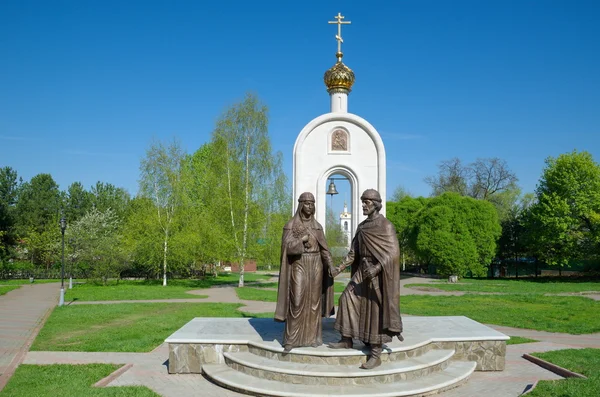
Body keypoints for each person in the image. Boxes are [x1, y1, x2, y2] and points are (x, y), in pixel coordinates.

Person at [329, 189, 403, 369]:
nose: (363, 205)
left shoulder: (385, 226)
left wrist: (378, 267)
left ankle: (376, 354)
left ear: (376, 204)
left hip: (377, 273)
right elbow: (353, 253)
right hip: (362, 271)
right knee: (346, 298)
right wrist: (339, 268)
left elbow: (393, 253)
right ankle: (347, 339)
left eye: (367, 202)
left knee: (375, 311)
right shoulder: (362, 227)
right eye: (362, 201)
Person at [275, 192, 336, 352]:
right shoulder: (290, 225)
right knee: (297, 300)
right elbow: (286, 248)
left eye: (312, 203)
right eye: (307, 203)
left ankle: (313, 337)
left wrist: (330, 265)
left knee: (314, 302)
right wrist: (301, 241)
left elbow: (324, 249)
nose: (310, 206)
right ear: (301, 205)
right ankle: (291, 339)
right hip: (299, 263)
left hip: (316, 264)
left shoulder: (317, 227)